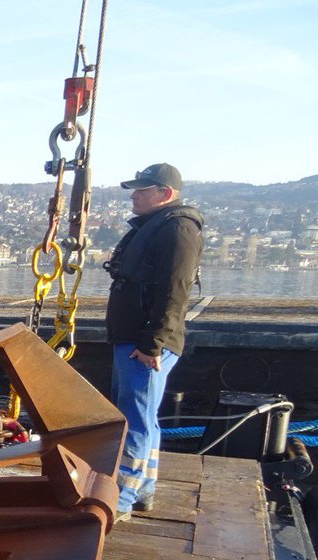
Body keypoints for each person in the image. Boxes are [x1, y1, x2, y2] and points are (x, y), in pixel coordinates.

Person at [104, 163, 204, 521]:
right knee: (144, 418)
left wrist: (153, 344)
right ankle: (143, 487)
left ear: (165, 194)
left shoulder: (178, 229)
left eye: (143, 190)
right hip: (134, 339)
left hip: (144, 344)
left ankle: (123, 498)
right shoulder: (155, 227)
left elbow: (174, 291)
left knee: (134, 421)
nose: (134, 195)